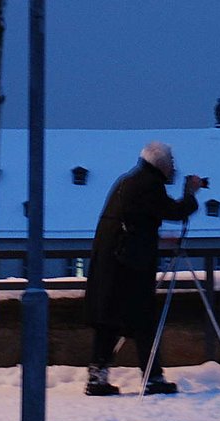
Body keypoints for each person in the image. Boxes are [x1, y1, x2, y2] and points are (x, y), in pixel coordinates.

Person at [85, 140, 201, 395]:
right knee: (144, 319)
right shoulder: (149, 185)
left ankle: (98, 377)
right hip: (128, 266)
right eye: (171, 163)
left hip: (114, 262)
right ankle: (152, 377)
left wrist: (156, 239)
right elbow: (174, 210)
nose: (174, 169)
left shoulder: (130, 180)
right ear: (159, 164)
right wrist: (191, 194)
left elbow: (139, 221)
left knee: (109, 319)